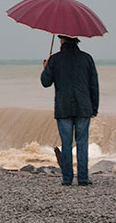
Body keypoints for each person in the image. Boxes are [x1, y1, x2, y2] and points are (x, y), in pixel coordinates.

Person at [40, 35, 99, 186]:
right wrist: (94, 108)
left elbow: (45, 83)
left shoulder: (55, 59)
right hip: (84, 107)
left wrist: (46, 67)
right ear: (76, 41)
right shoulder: (87, 58)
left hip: (63, 107)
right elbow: (94, 85)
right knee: (82, 143)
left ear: (62, 40)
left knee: (66, 144)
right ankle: (83, 178)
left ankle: (67, 179)